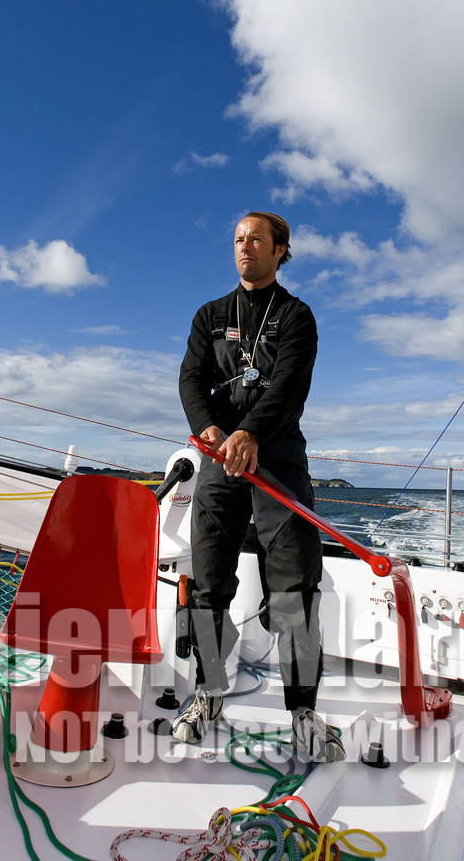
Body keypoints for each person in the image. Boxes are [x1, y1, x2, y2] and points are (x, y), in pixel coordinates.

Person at [173, 211, 343, 762]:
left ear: (280, 251)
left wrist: (251, 431)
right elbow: (191, 379)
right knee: (209, 579)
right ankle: (208, 692)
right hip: (220, 455)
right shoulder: (210, 315)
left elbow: (291, 384)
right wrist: (211, 428)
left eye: (257, 240)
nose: (245, 248)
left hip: (278, 458)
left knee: (294, 580)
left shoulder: (297, 316)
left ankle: (302, 711)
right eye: (239, 240)